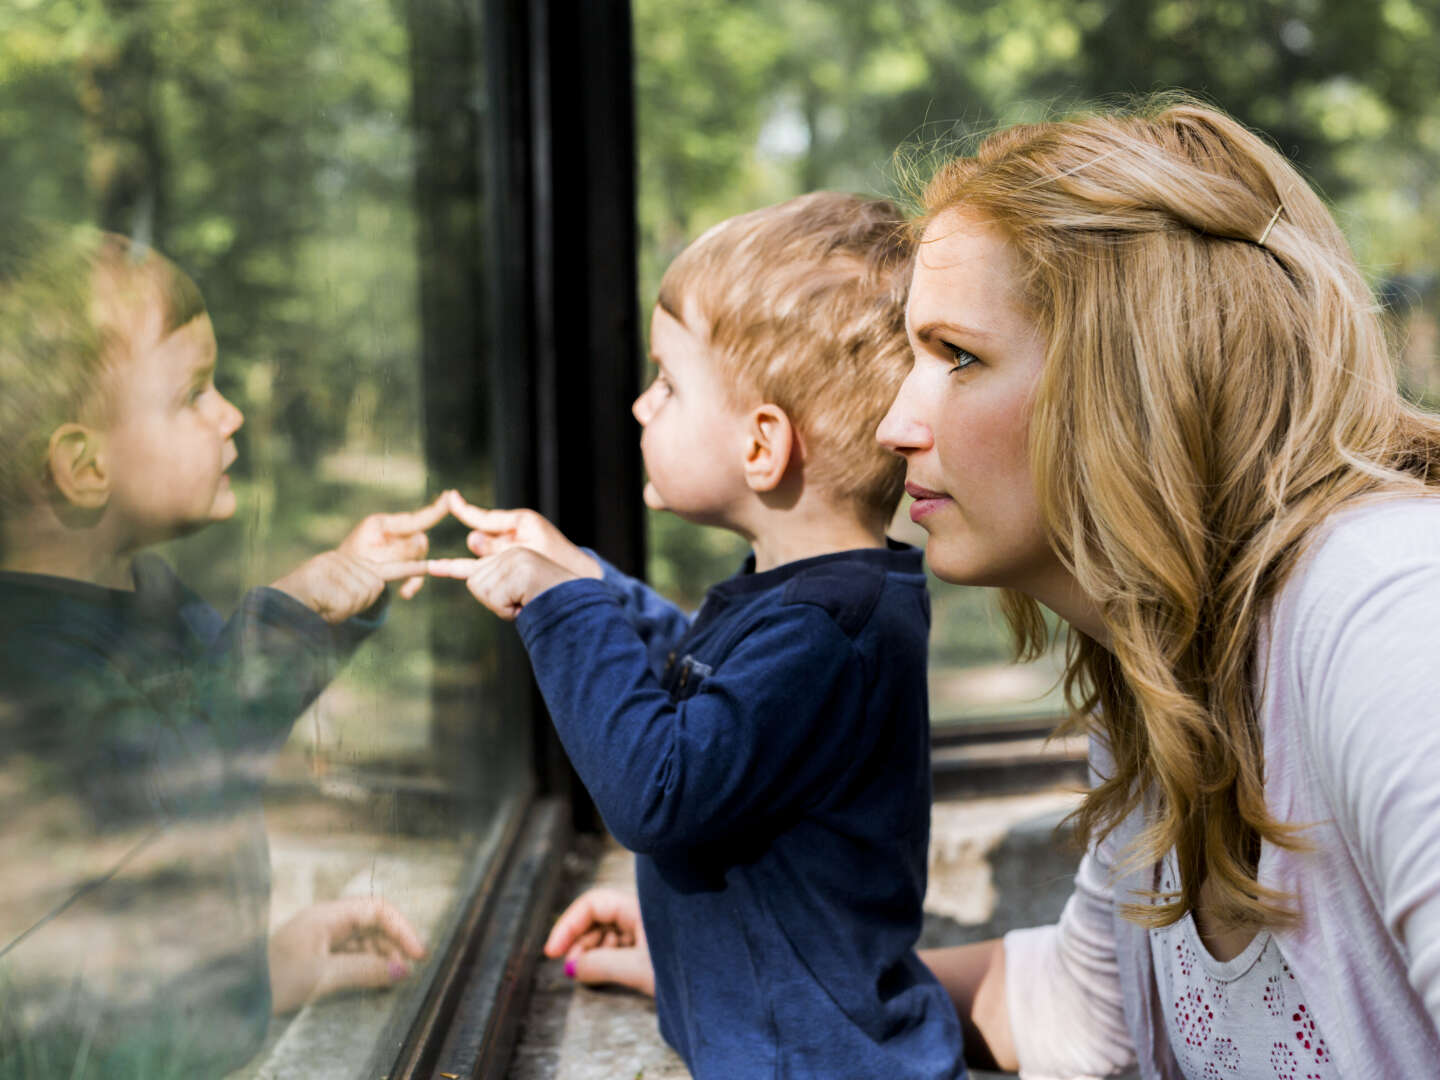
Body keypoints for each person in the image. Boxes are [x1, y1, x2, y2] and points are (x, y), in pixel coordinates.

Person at [547, 100, 1440, 1079]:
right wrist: (733, 954)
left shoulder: (1389, 610)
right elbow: (1076, 1006)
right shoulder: (1161, 686)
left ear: (1131, 382)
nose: (893, 424)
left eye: (958, 357)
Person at [430, 192, 965, 1078]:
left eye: (669, 384)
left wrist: (565, 607)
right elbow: (720, 692)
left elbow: (657, 786)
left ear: (763, 445)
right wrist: (591, 579)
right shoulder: (821, 603)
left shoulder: (830, 629)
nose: (641, 408)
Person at [0, 221, 438, 1077]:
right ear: (84, 466)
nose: (230, 411)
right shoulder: (26, 676)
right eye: (194, 392)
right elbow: (187, 767)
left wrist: (263, 973)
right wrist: (292, 610)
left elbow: (224, 714)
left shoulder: (147, 593)